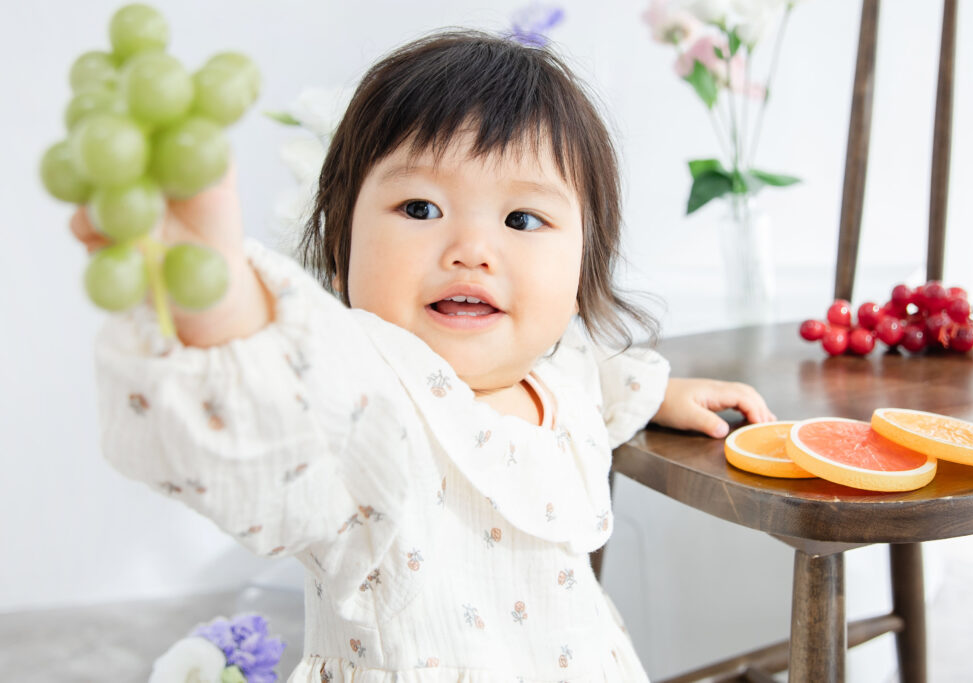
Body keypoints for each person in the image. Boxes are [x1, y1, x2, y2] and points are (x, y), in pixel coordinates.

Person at [72, 30, 775, 682]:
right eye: (419, 208)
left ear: (583, 265)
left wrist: (659, 394)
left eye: (522, 219)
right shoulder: (366, 396)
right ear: (340, 248)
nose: (470, 248)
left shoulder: (556, 373)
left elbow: (593, 377)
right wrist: (217, 299)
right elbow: (269, 428)